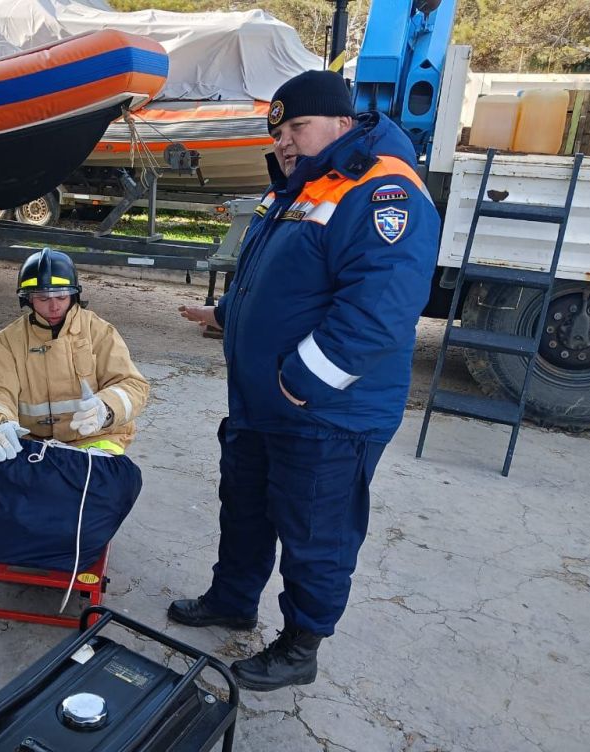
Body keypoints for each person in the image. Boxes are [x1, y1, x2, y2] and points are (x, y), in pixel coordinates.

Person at [170, 70, 440, 692]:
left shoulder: (381, 189)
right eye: (279, 130)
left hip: (326, 414)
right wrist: (227, 313)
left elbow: (380, 310)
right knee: (245, 510)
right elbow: (277, 281)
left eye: (298, 127)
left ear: (343, 123)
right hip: (264, 404)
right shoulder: (300, 186)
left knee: (315, 532)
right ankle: (232, 599)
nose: (286, 141)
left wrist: (301, 381)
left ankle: (300, 646)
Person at [0, 247, 149, 460]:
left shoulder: (99, 331)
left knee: (105, 488)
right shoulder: (8, 341)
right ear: (28, 299)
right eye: (43, 298)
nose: (54, 306)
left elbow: (133, 385)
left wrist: (107, 409)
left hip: (96, 440)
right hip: (32, 443)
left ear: (74, 295)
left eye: (61, 296)